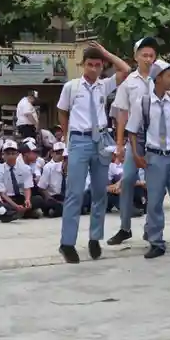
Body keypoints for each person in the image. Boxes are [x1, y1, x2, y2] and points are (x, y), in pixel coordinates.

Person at [55, 43, 130, 264]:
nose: (94, 69)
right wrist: (67, 136)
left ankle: (95, 238)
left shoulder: (104, 86)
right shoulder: (72, 86)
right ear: (82, 65)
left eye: (98, 65)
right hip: (79, 139)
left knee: (100, 193)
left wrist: (106, 53)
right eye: (90, 64)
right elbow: (62, 111)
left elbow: (125, 70)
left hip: (100, 140)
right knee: (75, 193)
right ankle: (67, 243)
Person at [127, 59, 170, 259]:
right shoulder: (144, 102)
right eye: (169, 75)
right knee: (154, 202)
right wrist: (137, 156)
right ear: (158, 78)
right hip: (154, 157)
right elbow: (132, 131)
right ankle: (156, 242)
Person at [108, 37, 158, 247]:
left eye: (151, 55)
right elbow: (122, 115)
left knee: (155, 184)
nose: (148, 59)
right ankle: (125, 227)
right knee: (127, 180)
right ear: (136, 57)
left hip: (157, 140)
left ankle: (151, 227)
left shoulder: (160, 79)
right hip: (134, 139)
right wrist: (120, 145)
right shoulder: (129, 83)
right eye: (144, 55)